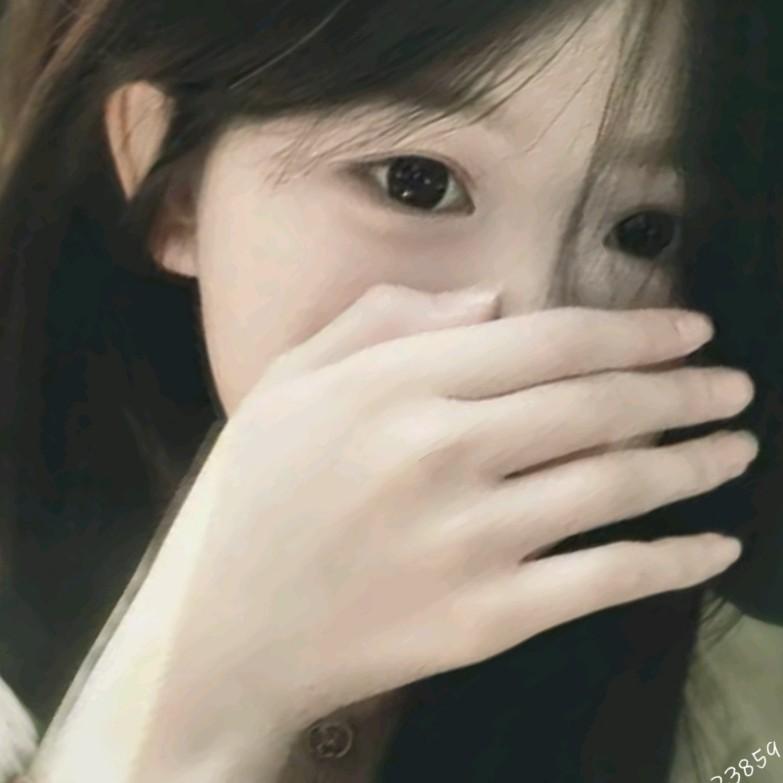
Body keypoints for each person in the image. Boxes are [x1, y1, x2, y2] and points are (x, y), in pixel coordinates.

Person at [0, 0, 781, 780]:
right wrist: (197, 705)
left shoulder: (742, 718)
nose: (532, 333)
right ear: (175, 188)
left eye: (643, 231)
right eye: (416, 183)